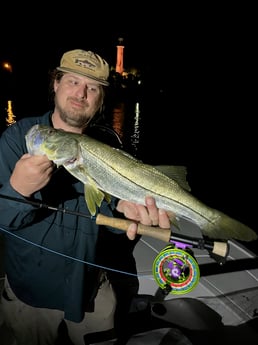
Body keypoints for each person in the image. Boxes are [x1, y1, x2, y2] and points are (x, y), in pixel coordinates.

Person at [0, 49, 171, 345]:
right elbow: (3, 220)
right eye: (73, 81)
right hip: (31, 295)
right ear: (55, 84)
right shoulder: (18, 138)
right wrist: (18, 190)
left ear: (100, 99)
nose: (81, 93)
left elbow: (110, 230)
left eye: (92, 88)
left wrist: (125, 220)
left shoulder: (112, 151)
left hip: (91, 288)